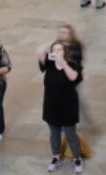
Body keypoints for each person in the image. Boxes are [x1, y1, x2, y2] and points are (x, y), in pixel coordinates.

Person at [38, 39, 84, 174]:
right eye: (55, 50)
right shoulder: (49, 64)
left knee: (70, 133)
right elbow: (39, 52)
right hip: (51, 105)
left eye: (60, 50)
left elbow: (73, 77)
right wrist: (47, 47)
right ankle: (56, 156)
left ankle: (77, 159)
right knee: (54, 133)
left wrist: (63, 62)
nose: (57, 52)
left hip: (68, 106)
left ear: (65, 52)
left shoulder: (73, 64)